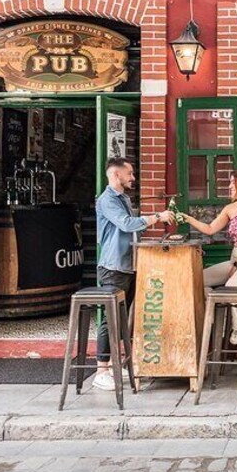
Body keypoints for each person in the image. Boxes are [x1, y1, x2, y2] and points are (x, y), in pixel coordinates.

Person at [92, 157, 175, 391]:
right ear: (116, 175)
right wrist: (157, 217)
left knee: (124, 317)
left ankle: (118, 363)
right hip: (113, 266)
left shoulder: (123, 198)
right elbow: (127, 225)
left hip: (127, 265)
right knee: (111, 319)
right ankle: (101, 370)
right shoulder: (107, 200)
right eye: (130, 173)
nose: (133, 178)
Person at [183, 169, 237, 345]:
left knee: (232, 285)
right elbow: (210, 229)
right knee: (200, 279)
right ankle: (213, 319)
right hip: (235, 259)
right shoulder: (230, 208)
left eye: (232, 183)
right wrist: (187, 218)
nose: (229, 186)